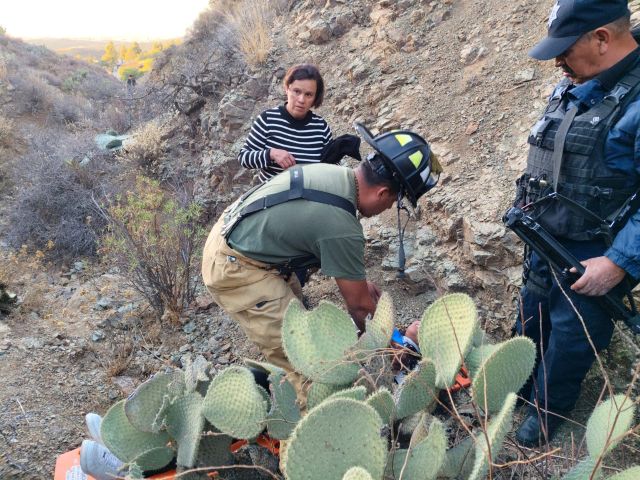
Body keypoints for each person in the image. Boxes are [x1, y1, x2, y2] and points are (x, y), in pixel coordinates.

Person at [202, 124, 440, 396]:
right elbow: (360, 309)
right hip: (236, 268)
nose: (387, 209)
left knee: (300, 327)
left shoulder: (336, 176)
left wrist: (363, 292)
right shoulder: (342, 224)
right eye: (393, 203)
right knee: (305, 366)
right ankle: (312, 429)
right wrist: (395, 349)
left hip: (242, 242)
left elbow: (328, 249)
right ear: (383, 193)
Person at [511, 0, 640, 447]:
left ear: (602, 38)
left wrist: (619, 262)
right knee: (532, 317)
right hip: (544, 236)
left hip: (595, 250)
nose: (557, 62)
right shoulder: (579, 82)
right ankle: (517, 393)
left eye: (565, 50)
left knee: (572, 337)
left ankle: (545, 417)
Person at [237, 64, 333, 184]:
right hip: (272, 197)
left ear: (315, 97)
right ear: (287, 88)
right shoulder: (267, 119)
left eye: (308, 94)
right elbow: (244, 158)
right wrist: (271, 154)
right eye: (296, 91)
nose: (301, 100)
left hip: (310, 198)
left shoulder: (321, 128)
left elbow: (332, 169)